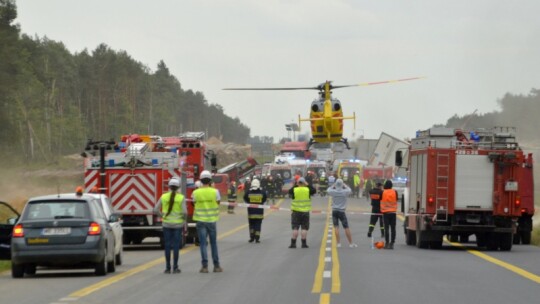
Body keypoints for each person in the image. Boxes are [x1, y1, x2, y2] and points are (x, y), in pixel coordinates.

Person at [192, 170, 223, 272]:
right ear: (210, 180)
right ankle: (216, 266)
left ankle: (204, 266)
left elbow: (193, 203)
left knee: (203, 244)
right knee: (213, 243)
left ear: (200, 180)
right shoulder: (215, 192)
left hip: (200, 221)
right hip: (211, 220)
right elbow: (218, 202)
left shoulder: (195, 192)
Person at [154, 178, 185, 274]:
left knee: (167, 245)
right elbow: (184, 212)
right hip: (177, 224)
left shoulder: (163, 197)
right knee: (176, 246)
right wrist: (183, 220)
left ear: (169, 187)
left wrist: (162, 216)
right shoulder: (181, 198)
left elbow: (155, 209)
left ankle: (167, 267)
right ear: (178, 187)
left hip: (166, 224)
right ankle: (175, 267)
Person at [327, 179, 357, 248]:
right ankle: (351, 243)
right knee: (346, 227)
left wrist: (333, 185)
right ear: (342, 185)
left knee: (336, 227)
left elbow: (328, 189)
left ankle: (338, 243)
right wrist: (344, 185)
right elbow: (349, 189)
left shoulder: (333, 191)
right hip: (342, 211)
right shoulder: (345, 192)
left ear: (336, 184)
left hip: (334, 211)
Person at [288, 177, 316, 248]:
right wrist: (308, 184)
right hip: (305, 212)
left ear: (297, 183)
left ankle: (293, 243)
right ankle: (304, 243)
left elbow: (289, 191)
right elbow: (314, 190)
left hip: (295, 212)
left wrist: (296, 185)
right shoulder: (307, 189)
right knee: (304, 228)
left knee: (295, 228)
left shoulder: (294, 189)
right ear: (304, 183)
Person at [244, 179, 267, 243]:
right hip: (259, 213)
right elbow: (265, 199)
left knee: (251, 225)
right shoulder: (262, 192)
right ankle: (257, 238)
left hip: (251, 212)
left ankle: (252, 237)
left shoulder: (248, 192)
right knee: (258, 225)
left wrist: (248, 203)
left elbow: (245, 199)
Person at [381, 180, 398, 249]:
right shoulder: (395, 192)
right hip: (393, 213)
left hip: (385, 213)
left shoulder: (383, 192)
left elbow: (380, 199)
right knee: (393, 229)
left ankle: (387, 243)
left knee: (386, 228)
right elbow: (396, 199)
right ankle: (392, 243)